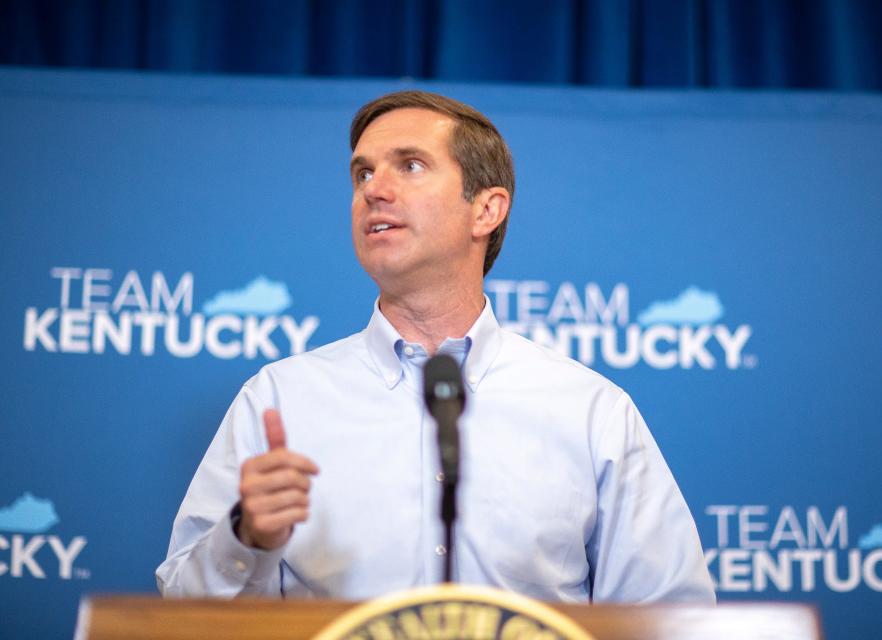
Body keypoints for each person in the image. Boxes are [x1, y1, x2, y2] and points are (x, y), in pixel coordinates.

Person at [156, 91, 715, 603]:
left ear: (486, 210)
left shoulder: (591, 411)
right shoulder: (279, 398)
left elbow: (671, 616)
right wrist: (244, 538)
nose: (374, 188)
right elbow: (179, 612)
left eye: (411, 165)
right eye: (362, 173)